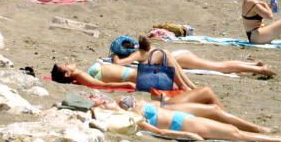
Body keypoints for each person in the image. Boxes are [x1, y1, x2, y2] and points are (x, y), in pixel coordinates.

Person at [114, 95, 281, 142]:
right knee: (234, 133)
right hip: (183, 123)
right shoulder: (129, 117)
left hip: (182, 117)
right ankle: (278, 141)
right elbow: (159, 132)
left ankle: (262, 132)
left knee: (228, 128)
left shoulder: (116, 105)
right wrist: (187, 134)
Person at [111, 35, 274, 78]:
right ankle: (254, 64)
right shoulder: (141, 48)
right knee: (217, 64)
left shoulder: (138, 53)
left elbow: (119, 63)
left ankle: (260, 69)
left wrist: (115, 58)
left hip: (180, 59)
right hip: (179, 55)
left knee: (219, 67)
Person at [49, 58, 196, 91]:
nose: (68, 62)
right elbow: (101, 85)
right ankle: (187, 87)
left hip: (134, 74)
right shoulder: (80, 76)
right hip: (132, 77)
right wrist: (126, 85)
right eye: (65, 65)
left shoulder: (80, 75)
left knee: (167, 56)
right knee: (166, 56)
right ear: (68, 74)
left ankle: (190, 86)